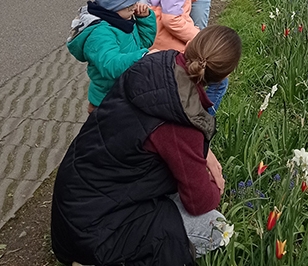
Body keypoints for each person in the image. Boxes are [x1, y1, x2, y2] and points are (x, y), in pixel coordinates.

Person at [51, 25, 242, 266]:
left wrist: (204, 154)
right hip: (96, 234)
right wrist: (216, 187)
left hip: (74, 203)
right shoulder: (182, 120)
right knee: (217, 228)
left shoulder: (157, 63)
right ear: (225, 75)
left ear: (192, 44)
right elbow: (199, 202)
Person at [67, 0, 157, 114]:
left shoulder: (122, 20)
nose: (135, 7)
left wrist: (144, 20)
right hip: (107, 102)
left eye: (135, 2)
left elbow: (143, 43)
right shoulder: (99, 33)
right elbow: (110, 64)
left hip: (125, 93)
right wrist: (142, 57)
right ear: (113, 5)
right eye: (129, 5)